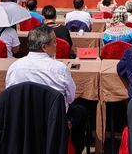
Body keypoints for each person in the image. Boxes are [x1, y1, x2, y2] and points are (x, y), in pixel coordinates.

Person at [5, 25, 86, 154]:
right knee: (81, 111)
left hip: (23, 123)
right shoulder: (60, 69)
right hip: (53, 124)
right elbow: (70, 98)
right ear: (44, 47)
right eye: (54, 41)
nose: (56, 44)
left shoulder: (14, 67)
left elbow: (9, 98)